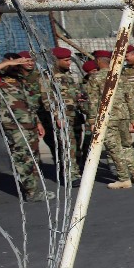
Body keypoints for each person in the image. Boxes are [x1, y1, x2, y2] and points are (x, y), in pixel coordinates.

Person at [0, 53, 54, 201]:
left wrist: (38, 122)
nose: (15, 65)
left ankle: (34, 188)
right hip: (13, 126)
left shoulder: (20, 79)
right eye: (12, 62)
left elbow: (29, 103)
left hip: (29, 124)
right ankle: (31, 192)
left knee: (33, 158)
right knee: (22, 158)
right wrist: (7, 64)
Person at [83, 60, 134, 189]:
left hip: (108, 118)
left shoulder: (95, 77)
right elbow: (130, 98)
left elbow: (93, 101)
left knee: (114, 148)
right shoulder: (121, 76)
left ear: (99, 61)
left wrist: (92, 120)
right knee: (127, 145)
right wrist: (133, 119)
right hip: (124, 116)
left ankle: (124, 179)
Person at [45, 47, 84, 183]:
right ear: (56, 60)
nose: (69, 63)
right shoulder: (48, 77)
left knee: (76, 146)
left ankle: (76, 170)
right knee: (68, 146)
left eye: (69, 60)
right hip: (62, 117)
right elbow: (47, 99)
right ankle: (71, 175)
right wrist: (57, 116)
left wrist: (79, 98)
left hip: (75, 115)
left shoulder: (68, 75)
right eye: (66, 60)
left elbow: (74, 93)